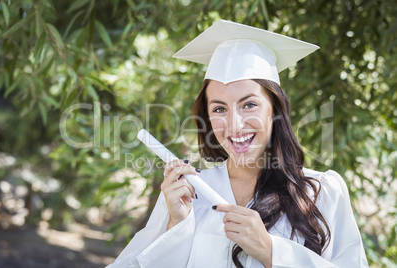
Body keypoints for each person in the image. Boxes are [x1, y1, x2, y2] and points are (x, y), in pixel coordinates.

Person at [107, 20, 369, 268]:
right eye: (219, 109)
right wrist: (176, 225)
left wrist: (270, 251)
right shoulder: (189, 194)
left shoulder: (322, 192)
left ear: (275, 109)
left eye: (249, 104)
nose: (234, 125)